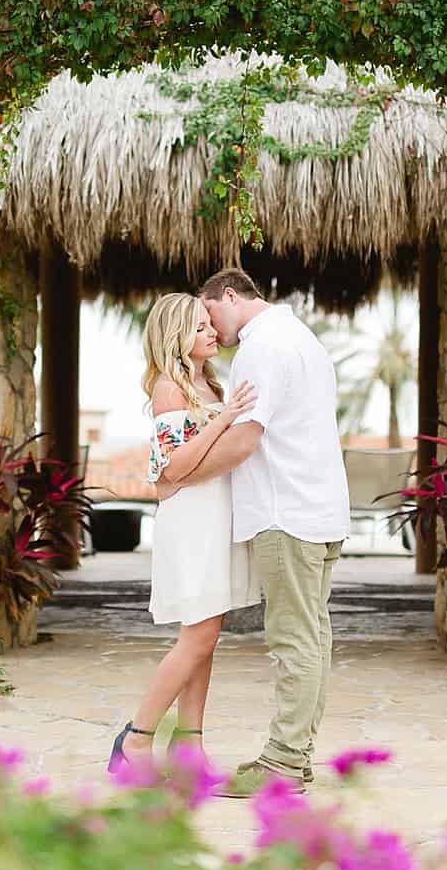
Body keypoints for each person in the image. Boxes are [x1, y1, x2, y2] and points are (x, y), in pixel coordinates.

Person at [154, 268, 349, 797]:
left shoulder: (260, 348)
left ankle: (282, 764)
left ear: (230, 296)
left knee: (294, 641)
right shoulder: (301, 337)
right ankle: (296, 758)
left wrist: (177, 477)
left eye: (208, 314)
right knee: (313, 638)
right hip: (320, 510)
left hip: (287, 513)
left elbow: (243, 442)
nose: (210, 329)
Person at [108, 293, 260, 772]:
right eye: (199, 327)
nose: (212, 331)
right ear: (176, 337)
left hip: (215, 517)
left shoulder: (208, 384)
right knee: (198, 636)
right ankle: (136, 739)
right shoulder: (170, 389)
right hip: (192, 522)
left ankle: (189, 745)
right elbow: (174, 467)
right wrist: (226, 419)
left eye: (208, 324)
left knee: (206, 636)